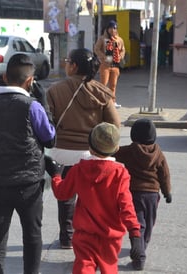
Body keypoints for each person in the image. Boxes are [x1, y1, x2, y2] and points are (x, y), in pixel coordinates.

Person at [0, 54, 56, 274]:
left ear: (4, 77)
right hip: (28, 185)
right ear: (30, 82)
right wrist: (44, 103)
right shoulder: (33, 107)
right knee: (31, 238)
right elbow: (50, 138)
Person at [46, 48, 121, 249]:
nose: (65, 64)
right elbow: (114, 125)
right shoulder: (102, 93)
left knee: (66, 195)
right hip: (92, 154)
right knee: (92, 198)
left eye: (67, 61)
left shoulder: (55, 90)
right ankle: (91, 234)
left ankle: (67, 237)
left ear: (75, 66)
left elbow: (47, 123)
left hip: (62, 153)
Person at [45, 122, 142, 273]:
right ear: (116, 149)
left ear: (89, 146)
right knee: (109, 269)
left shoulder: (78, 169)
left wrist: (56, 175)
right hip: (110, 238)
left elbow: (62, 193)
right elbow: (126, 206)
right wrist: (135, 234)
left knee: (83, 268)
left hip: (84, 236)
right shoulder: (120, 173)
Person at [114, 118, 172, 271]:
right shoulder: (158, 153)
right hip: (153, 195)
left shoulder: (130, 151)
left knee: (137, 224)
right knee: (149, 223)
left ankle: (138, 250)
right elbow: (164, 175)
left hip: (133, 193)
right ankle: (142, 248)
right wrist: (167, 192)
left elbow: (114, 152)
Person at [94, 20, 125, 108]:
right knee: (103, 83)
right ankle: (101, 100)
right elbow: (96, 49)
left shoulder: (119, 39)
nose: (112, 30)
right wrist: (103, 56)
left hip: (115, 65)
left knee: (113, 85)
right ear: (107, 29)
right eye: (111, 28)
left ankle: (112, 101)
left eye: (114, 28)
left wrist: (121, 56)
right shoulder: (102, 39)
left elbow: (123, 50)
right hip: (105, 65)